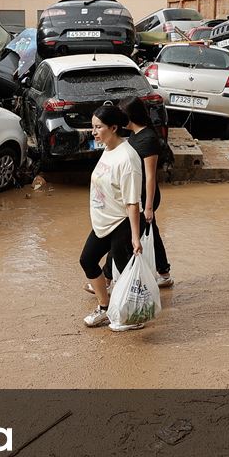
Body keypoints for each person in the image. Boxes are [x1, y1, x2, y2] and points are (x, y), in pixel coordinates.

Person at [78, 104, 144, 331]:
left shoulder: (128, 158)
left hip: (122, 222)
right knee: (87, 260)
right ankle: (105, 308)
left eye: (98, 128)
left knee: (124, 273)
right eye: (92, 127)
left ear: (114, 127)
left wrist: (136, 237)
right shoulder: (108, 148)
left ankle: (134, 317)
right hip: (104, 221)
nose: (93, 132)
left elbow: (132, 202)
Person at [117, 97, 172, 286]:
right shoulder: (134, 135)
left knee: (122, 235)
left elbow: (150, 176)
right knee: (151, 233)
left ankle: (108, 278)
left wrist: (148, 207)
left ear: (130, 117)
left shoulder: (148, 139)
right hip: (137, 194)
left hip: (145, 197)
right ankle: (164, 273)